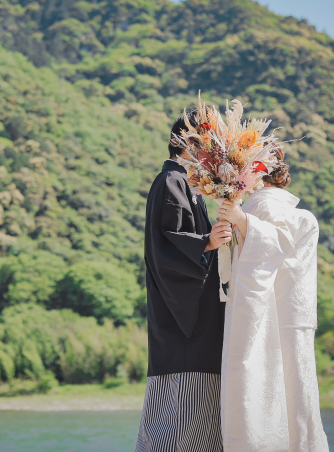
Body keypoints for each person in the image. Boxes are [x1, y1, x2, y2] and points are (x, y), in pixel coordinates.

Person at [217, 149, 329, 452]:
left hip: (257, 311)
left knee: (259, 387)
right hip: (291, 314)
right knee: (297, 397)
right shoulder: (271, 210)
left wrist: (241, 220)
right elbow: (282, 242)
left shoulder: (257, 209)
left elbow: (271, 246)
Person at [136, 110, 234, 452]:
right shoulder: (171, 182)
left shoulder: (180, 183)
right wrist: (208, 242)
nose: (211, 158)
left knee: (186, 419)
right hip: (184, 325)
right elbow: (170, 244)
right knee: (181, 420)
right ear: (189, 144)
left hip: (189, 319)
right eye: (208, 147)